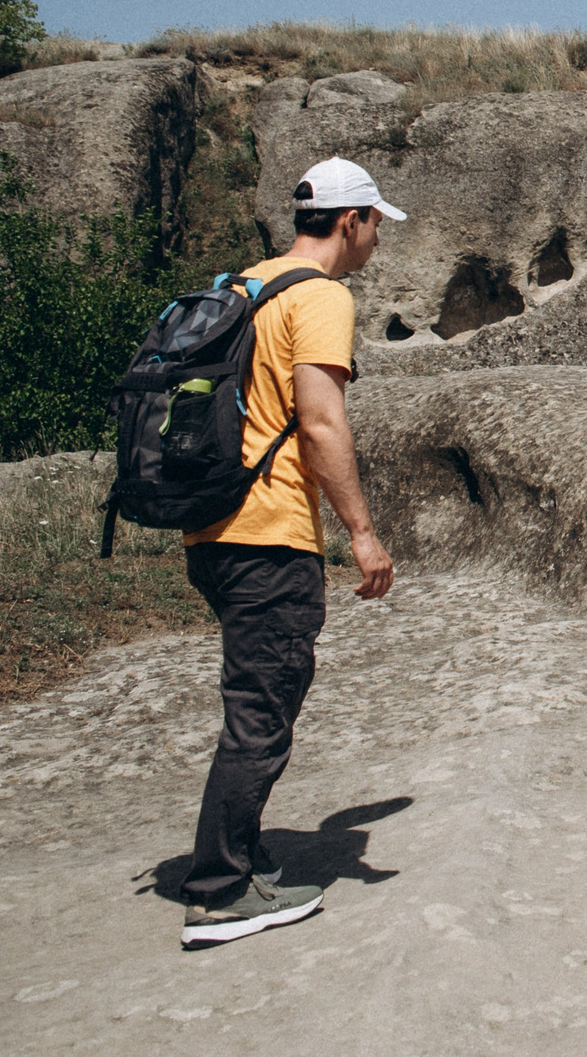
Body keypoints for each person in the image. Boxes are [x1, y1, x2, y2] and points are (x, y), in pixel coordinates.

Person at [178, 156, 401, 950]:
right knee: (261, 713)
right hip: (268, 535)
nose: (378, 238)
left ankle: (240, 856)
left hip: (213, 529)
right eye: (376, 222)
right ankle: (219, 890)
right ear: (350, 222)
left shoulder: (248, 283)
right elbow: (320, 422)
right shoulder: (320, 298)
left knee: (258, 702)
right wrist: (361, 531)